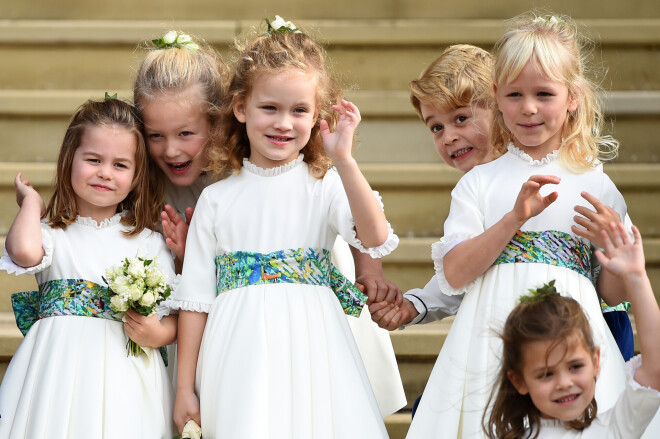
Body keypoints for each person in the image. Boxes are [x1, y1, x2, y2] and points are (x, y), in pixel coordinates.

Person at [133, 28, 405, 417]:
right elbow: (195, 297)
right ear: (240, 108)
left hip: (313, 344)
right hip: (239, 349)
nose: (283, 123)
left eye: (298, 111)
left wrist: (344, 161)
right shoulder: (216, 198)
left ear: (316, 116)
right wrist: (185, 388)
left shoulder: (323, 184)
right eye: (270, 109)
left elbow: (374, 236)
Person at [407, 13, 630, 438]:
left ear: (573, 98)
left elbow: (610, 293)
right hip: (489, 342)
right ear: (496, 97)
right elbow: (454, 274)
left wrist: (615, 255)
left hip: (571, 340)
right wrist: (513, 220)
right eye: (514, 95)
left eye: (544, 93)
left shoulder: (597, 184)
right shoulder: (479, 182)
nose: (528, 108)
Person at [0, 97, 177, 438]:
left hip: (124, 374)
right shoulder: (52, 234)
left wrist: (158, 334)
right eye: (93, 159)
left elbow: (174, 317)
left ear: (137, 176)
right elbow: (22, 251)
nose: (104, 173)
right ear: (69, 160)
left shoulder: (148, 243)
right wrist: (33, 205)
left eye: (120, 165)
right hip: (58, 372)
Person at [484, 222, 660, 438]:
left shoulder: (614, 429)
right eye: (546, 374)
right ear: (519, 381)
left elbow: (655, 368)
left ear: (596, 361)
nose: (564, 383)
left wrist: (636, 278)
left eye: (575, 366)